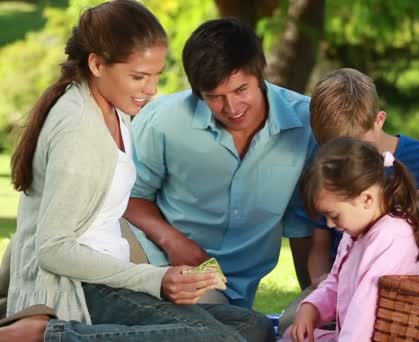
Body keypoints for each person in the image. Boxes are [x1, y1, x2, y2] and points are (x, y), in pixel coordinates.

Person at [0, 1, 272, 341]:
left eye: (156, 75)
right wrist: (153, 279)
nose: (152, 89)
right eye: (139, 77)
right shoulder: (79, 131)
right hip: (77, 287)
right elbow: (53, 249)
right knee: (219, 339)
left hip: (109, 277)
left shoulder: (112, 108)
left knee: (254, 328)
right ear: (97, 64)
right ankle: (48, 335)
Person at [123, 17, 316, 309]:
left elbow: (304, 225)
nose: (232, 108)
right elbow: (128, 197)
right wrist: (172, 241)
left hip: (228, 291)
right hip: (155, 261)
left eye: (241, 90)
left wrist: (313, 302)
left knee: (242, 329)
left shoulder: (306, 123)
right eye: (215, 97)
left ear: (259, 74)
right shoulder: (163, 121)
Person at [278, 68, 419, 333]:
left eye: (354, 143)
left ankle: (415, 317)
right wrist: (317, 292)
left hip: (396, 291)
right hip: (342, 284)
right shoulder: (327, 173)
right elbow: (321, 246)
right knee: (291, 325)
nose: (344, 156)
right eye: (332, 148)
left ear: (379, 120)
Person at [283, 137, 419, 341]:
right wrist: (311, 307)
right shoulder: (356, 230)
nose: (330, 224)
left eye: (334, 215)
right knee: (293, 336)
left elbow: (366, 308)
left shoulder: (392, 236)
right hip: (353, 335)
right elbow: (336, 281)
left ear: (366, 199)